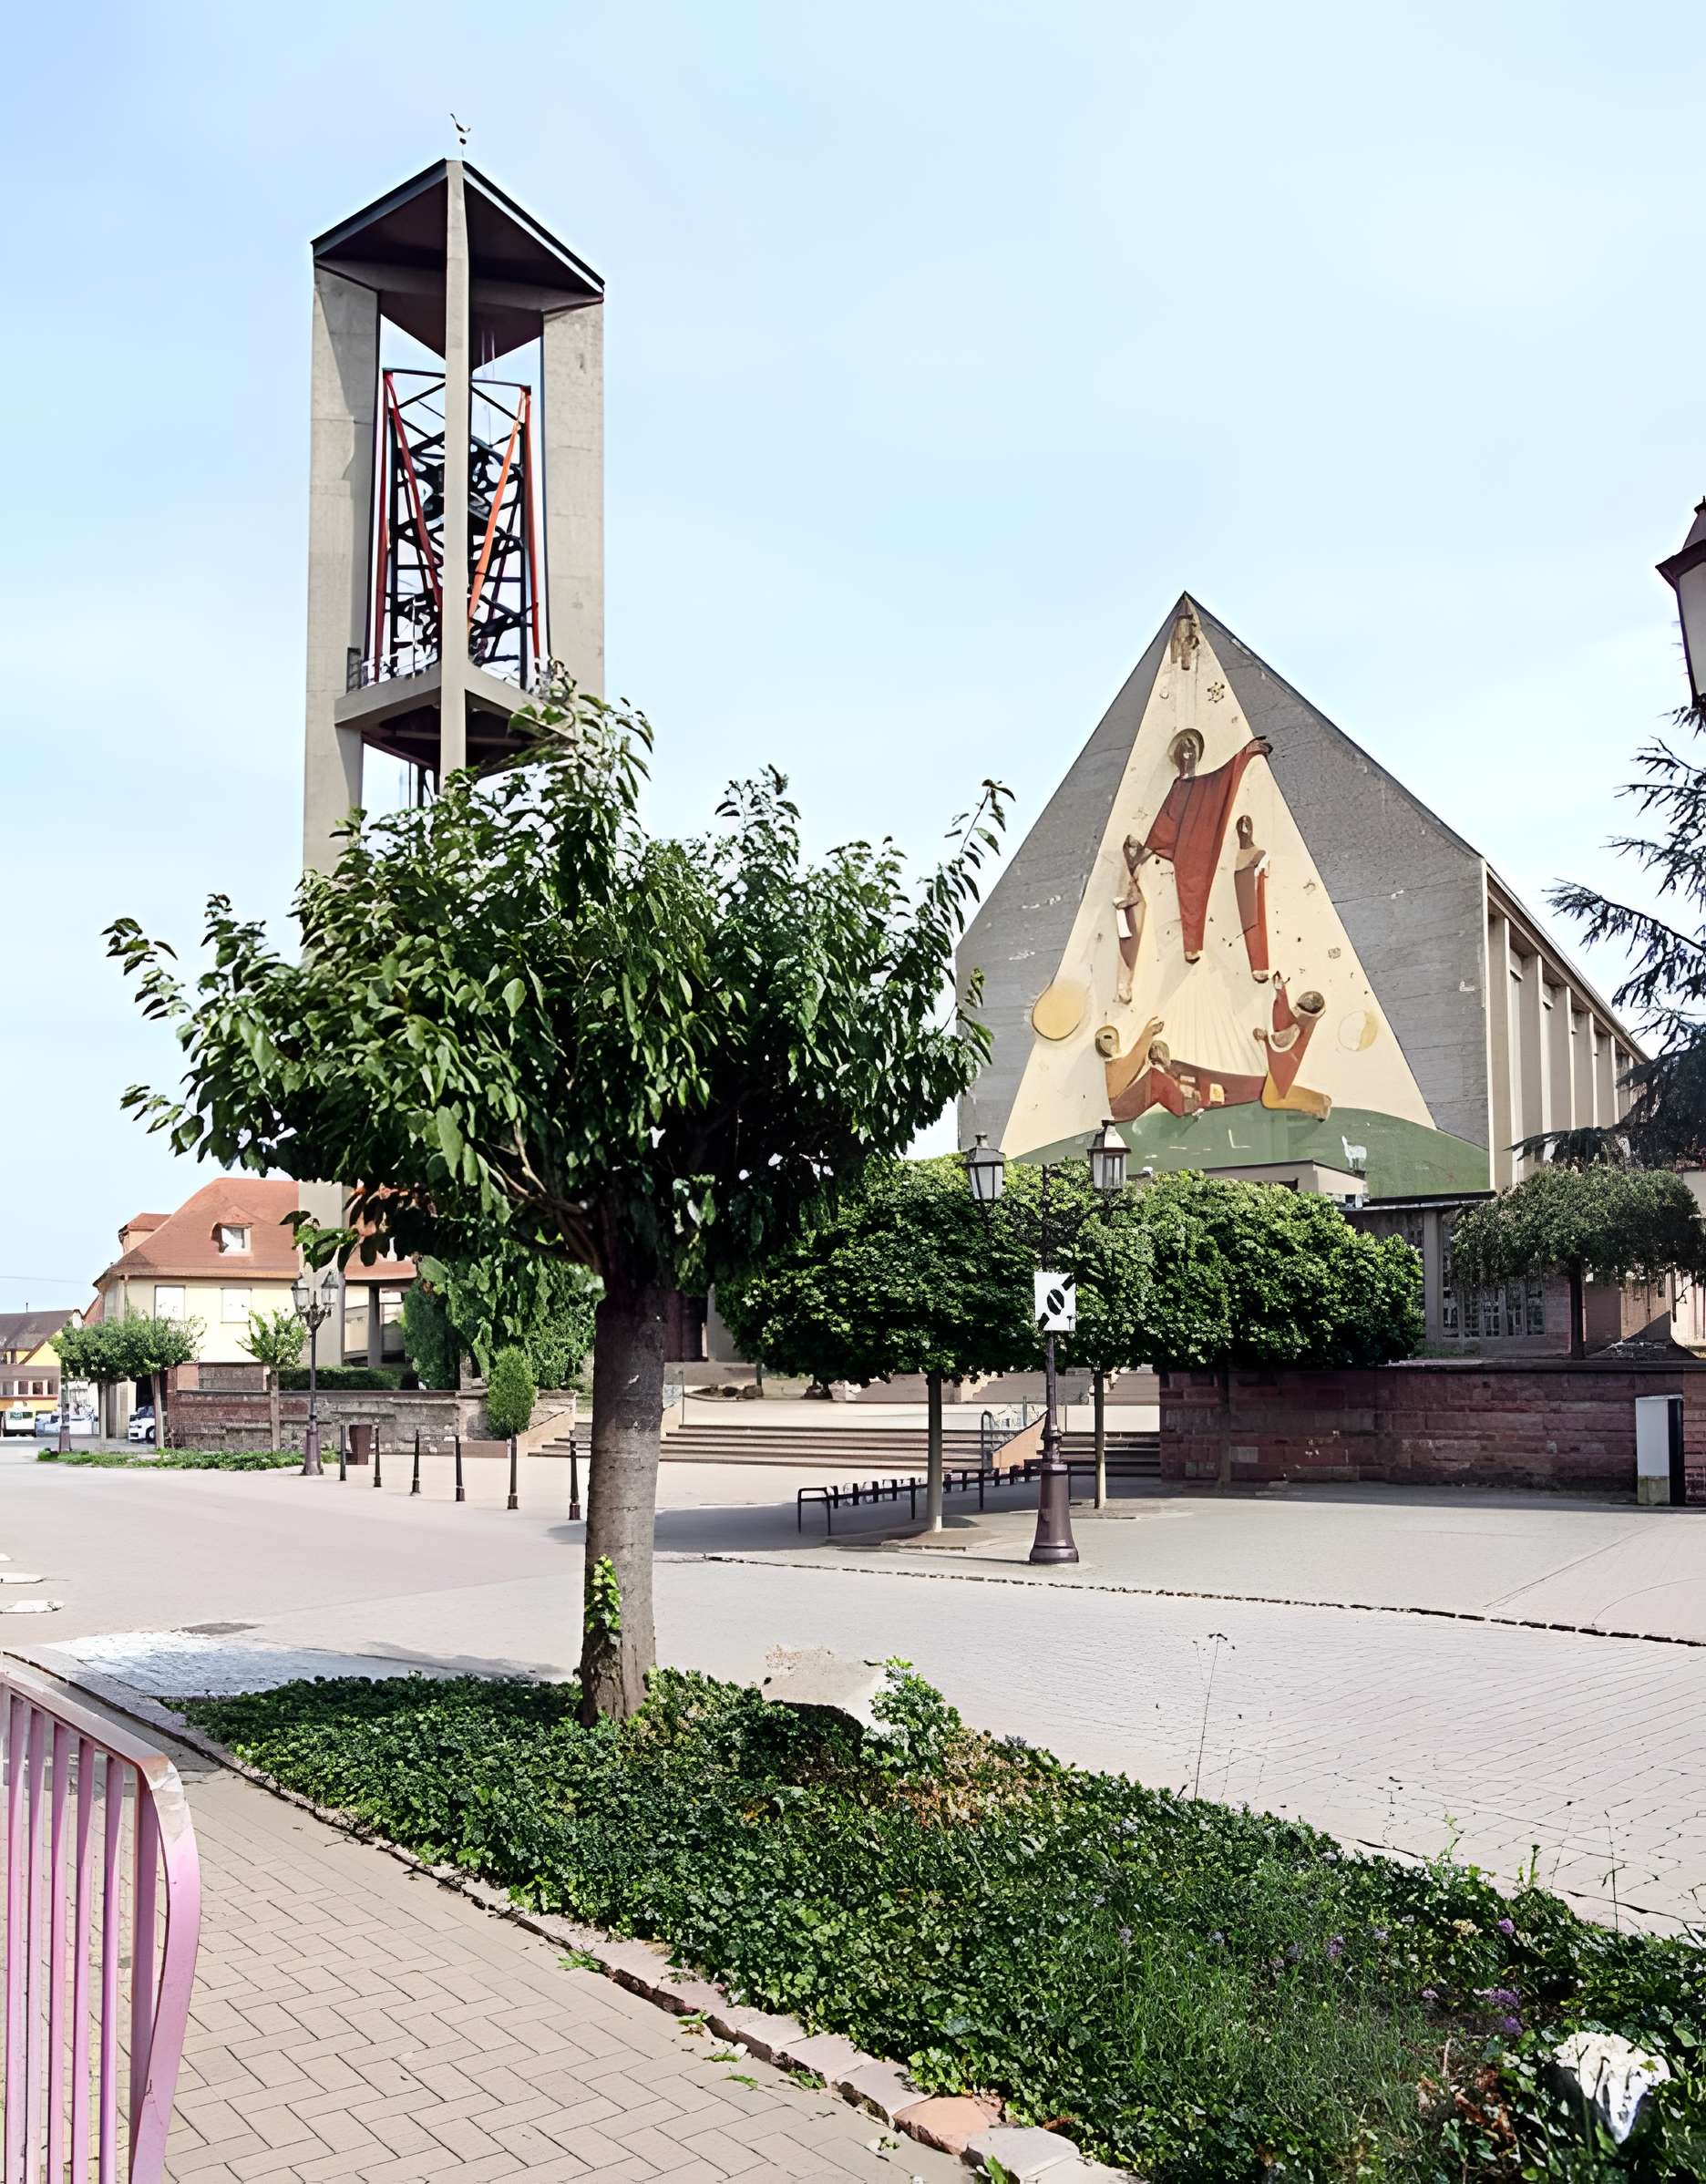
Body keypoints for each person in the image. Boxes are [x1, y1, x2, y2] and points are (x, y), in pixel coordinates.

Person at [1142, 730, 1273, 962]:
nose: (1188, 754)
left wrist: (1246, 753)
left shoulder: (1207, 784)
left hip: (1205, 843)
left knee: (1202, 894)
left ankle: (1196, 946)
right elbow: (1164, 823)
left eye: (1191, 749)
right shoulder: (1179, 787)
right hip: (1187, 851)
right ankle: (1191, 947)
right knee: (1191, 895)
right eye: (1183, 750)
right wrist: (1144, 853)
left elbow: (1225, 778)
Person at [1232, 815, 1270, 981]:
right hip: (1245, 882)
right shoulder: (1242, 856)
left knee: (1254, 920)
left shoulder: (1259, 853)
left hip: (1250, 882)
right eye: (1242, 827)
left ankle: (1259, 964)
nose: (1245, 829)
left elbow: (1265, 872)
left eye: (1246, 827)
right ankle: (1258, 964)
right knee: (1250, 920)